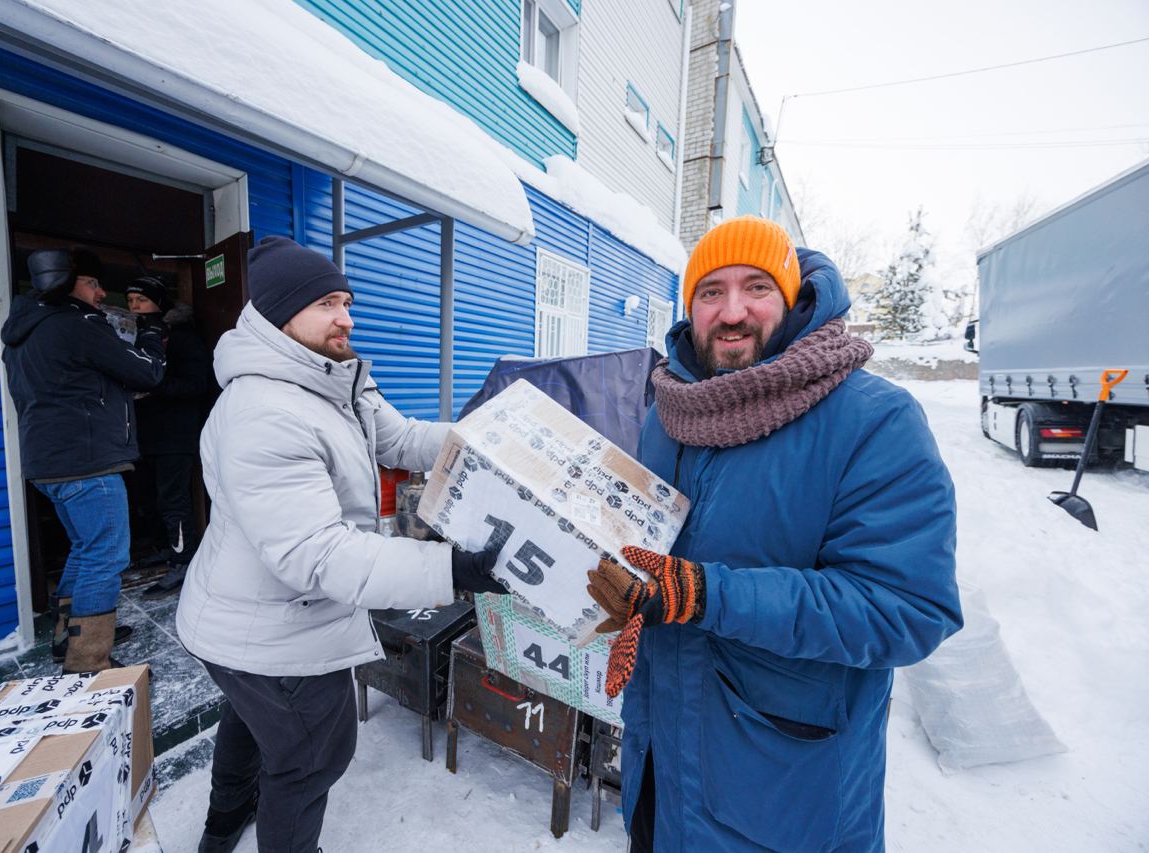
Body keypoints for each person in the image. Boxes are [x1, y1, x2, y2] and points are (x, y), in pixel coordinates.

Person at [585, 216, 962, 852]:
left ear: (791, 298)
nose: (732, 311)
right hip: (662, 767)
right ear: (690, 309)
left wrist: (707, 596)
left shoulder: (874, 421)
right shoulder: (668, 415)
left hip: (786, 794)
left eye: (755, 286)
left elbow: (909, 610)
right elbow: (652, 550)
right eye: (710, 292)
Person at [175, 236, 506, 853]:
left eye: (347, 301)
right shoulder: (264, 412)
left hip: (247, 620)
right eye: (327, 302)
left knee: (253, 725)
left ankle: (220, 833)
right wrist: (450, 568)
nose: (346, 317)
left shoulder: (332, 381)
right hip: (271, 626)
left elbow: (402, 439)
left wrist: (489, 442)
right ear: (280, 314)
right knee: (309, 756)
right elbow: (320, 555)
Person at [0, 247, 166, 673]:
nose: (100, 293)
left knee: (85, 547)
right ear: (65, 283)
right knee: (106, 555)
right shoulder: (77, 326)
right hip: (86, 463)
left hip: (47, 462)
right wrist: (150, 331)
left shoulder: (24, 332)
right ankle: (88, 661)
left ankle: (67, 634)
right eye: (93, 283)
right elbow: (146, 371)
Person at [124, 275, 215, 598]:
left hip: (176, 435)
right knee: (146, 498)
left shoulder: (183, 338)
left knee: (172, 500)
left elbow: (196, 385)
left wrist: (153, 384)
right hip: (144, 435)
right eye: (131, 301)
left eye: (142, 300)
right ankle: (165, 547)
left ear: (159, 303)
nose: (135, 307)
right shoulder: (132, 336)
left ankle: (183, 562)